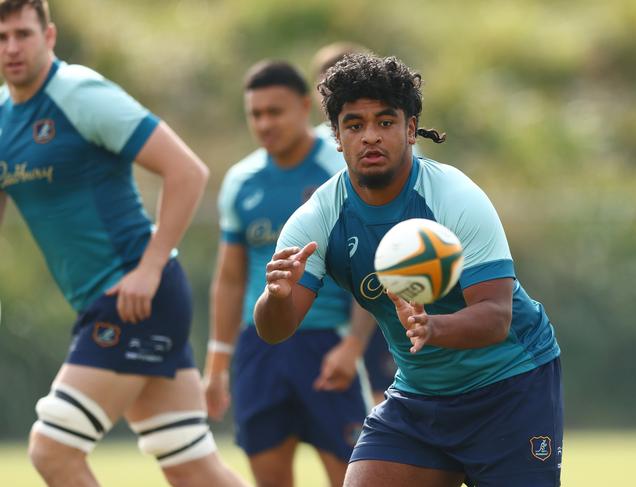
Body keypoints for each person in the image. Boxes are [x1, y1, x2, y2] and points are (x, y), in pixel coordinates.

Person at [254, 53, 563, 487]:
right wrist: (276, 297)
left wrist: (431, 328)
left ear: (411, 129)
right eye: (354, 125)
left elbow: (496, 318)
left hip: (510, 386)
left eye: (385, 122)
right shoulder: (317, 218)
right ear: (338, 138)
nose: (370, 137)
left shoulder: (454, 197)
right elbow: (274, 330)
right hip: (421, 397)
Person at [0, 2, 247, 486]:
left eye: (22, 34)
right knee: (193, 467)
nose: (11, 48)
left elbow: (187, 171)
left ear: (49, 37)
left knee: (52, 450)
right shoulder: (3, 120)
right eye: (1, 37)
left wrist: (149, 268)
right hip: (112, 302)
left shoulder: (79, 93)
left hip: (136, 296)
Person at [203, 60, 374, 487]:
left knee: (353, 478)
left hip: (326, 344)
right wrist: (217, 364)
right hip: (260, 347)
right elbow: (229, 277)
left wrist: (353, 345)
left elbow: (371, 266)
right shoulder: (242, 181)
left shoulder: (340, 172)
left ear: (305, 107)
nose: (264, 123)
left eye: (274, 112)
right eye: (255, 114)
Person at [311, 42, 397, 405]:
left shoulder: (393, 150)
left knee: (383, 401)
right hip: (330, 303)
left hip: (383, 289)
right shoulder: (311, 148)